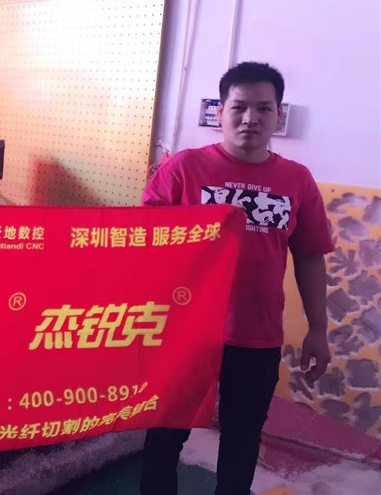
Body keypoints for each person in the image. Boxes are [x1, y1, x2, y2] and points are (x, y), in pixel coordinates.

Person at [139, 62, 333, 495]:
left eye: (264, 108)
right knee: (164, 438)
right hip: (185, 333)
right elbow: (144, 243)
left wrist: (319, 329)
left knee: (242, 443)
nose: (250, 118)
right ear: (220, 111)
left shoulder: (296, 180)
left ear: (278, 114)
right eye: (239, 107)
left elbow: (309, 257)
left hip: (257, 337)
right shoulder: (184, 169)